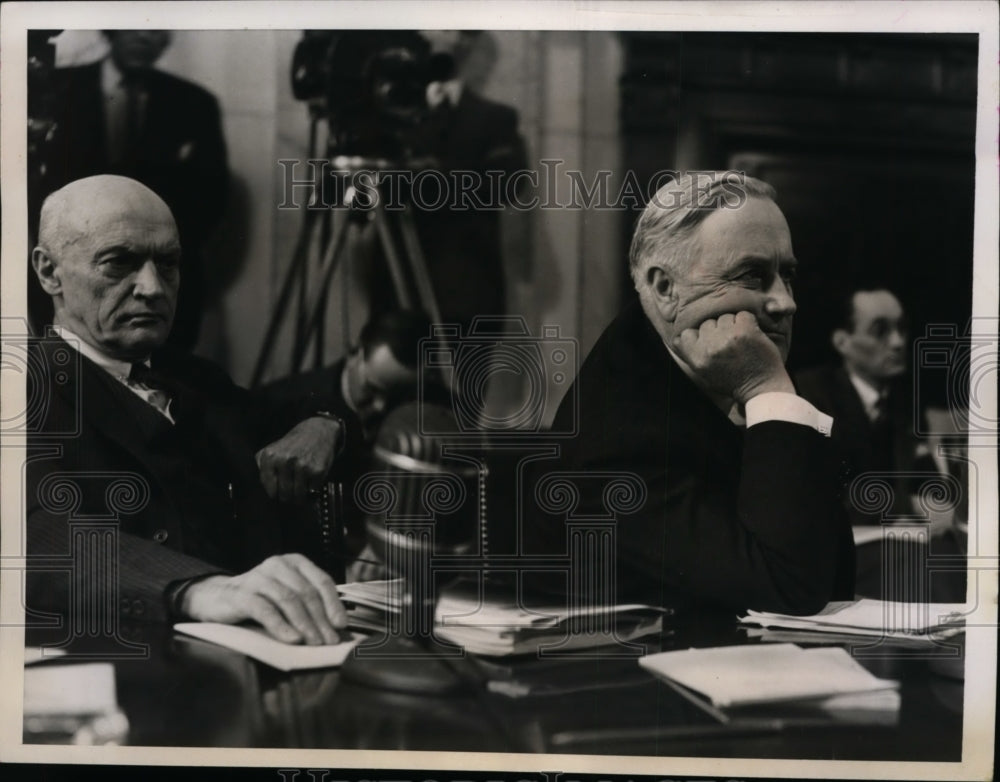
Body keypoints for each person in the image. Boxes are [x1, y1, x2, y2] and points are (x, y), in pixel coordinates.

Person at [26, 175, 348, 645]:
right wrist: (196, 589)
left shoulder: (194, 377)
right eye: (119, 263)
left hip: (274, 645)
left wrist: (324, 424)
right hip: (129, 658)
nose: (153, 287)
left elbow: (295, 408)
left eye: (168, 264)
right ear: (49, 272)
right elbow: (32, 533)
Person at [530, 171, 855, 615]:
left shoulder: (727, 373)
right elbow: (790, 591)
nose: (786, 302)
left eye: (788, 275)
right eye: (753, 275)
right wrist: (766, 387)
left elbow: (832, 575)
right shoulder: (618, 435)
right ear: (666, 289)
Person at [35, 30, 229, 350]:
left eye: (155, 28)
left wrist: (152, 255)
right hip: (70, 281)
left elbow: (211, 198)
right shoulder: (54, 88)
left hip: (161, 294)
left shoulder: (194, 102)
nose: (143, 36)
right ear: (109, 28)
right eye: (134, 24)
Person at [795, 289, 962, 601]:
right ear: (842, 342)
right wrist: (904, 506)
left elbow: (923, 476)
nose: (898, 342)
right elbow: (817, 490)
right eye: (880, 331)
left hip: (897, 542)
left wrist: (934, 501)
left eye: (901, 328)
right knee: (925, 572)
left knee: (955, 556)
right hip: (833, 551)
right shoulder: (810, 394)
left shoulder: (904, 403)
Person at [258, 310, 447, 570]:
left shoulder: (438, 409)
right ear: (354, 353)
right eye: (372, 389)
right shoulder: (280, 402)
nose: (381, 407)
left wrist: (402, 533)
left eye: (399, 394)